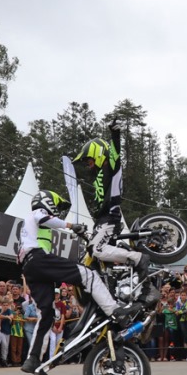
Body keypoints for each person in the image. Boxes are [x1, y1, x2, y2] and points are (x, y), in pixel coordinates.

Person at [19, 190, 137, 375]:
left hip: (29, 266)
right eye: (55, 207)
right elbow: (44, 218)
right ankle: (114, 310)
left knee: (46, 314)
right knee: (87, 274)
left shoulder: (28, 226)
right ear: (46, 202)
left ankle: (33, 359)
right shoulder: (37, 213)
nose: (56, 212)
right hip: (38, 258)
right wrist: (72, 225)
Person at [72, 118, 150, 275]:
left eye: (89, 160)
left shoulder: (110, 167)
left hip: (111, 216)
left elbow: (115, 152)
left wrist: (115, 133)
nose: (89, 165)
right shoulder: (99, 175)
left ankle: (137, 258)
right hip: (102, 220)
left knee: (96, 249)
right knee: (97, 258)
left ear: (98, 153)